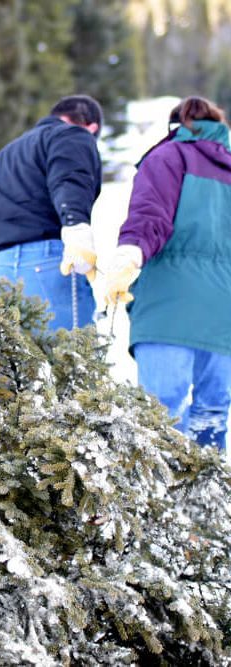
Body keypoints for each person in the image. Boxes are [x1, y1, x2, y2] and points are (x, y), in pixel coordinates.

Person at [105, 95, 231, 450]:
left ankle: (159, 502)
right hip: (225, 312)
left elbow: (149, 218)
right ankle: (204, 502)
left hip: (169, 304)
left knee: (159, 418)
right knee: (212, 415)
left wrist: (127, 259)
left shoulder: (166, 157)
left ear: (176, 126)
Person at [0, 94, 103, 330]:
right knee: (74, 362)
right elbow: (70, 179)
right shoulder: (73, 135)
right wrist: (77, 228)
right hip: (46, 263)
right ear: (92, 128)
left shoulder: (5, 154)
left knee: (7, 366)